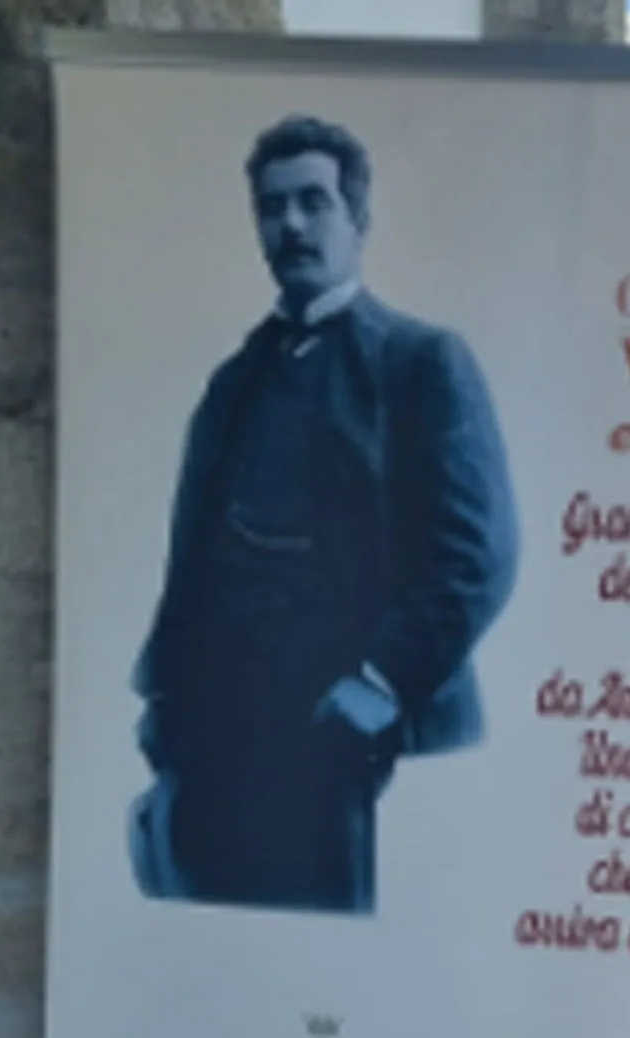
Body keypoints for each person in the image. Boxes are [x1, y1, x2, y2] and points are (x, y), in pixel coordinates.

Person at [124, 114, 520, 916]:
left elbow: (477, 554)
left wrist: (378, 684)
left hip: (334, 737)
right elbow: (193, 560)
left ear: (357, 219)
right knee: (207, 953)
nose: (293, 226)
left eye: (314, 202)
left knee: (322, 956)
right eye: (273, 208)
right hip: (212, 736)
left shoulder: (419, 362)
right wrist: (164, 700)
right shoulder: (234, 379)